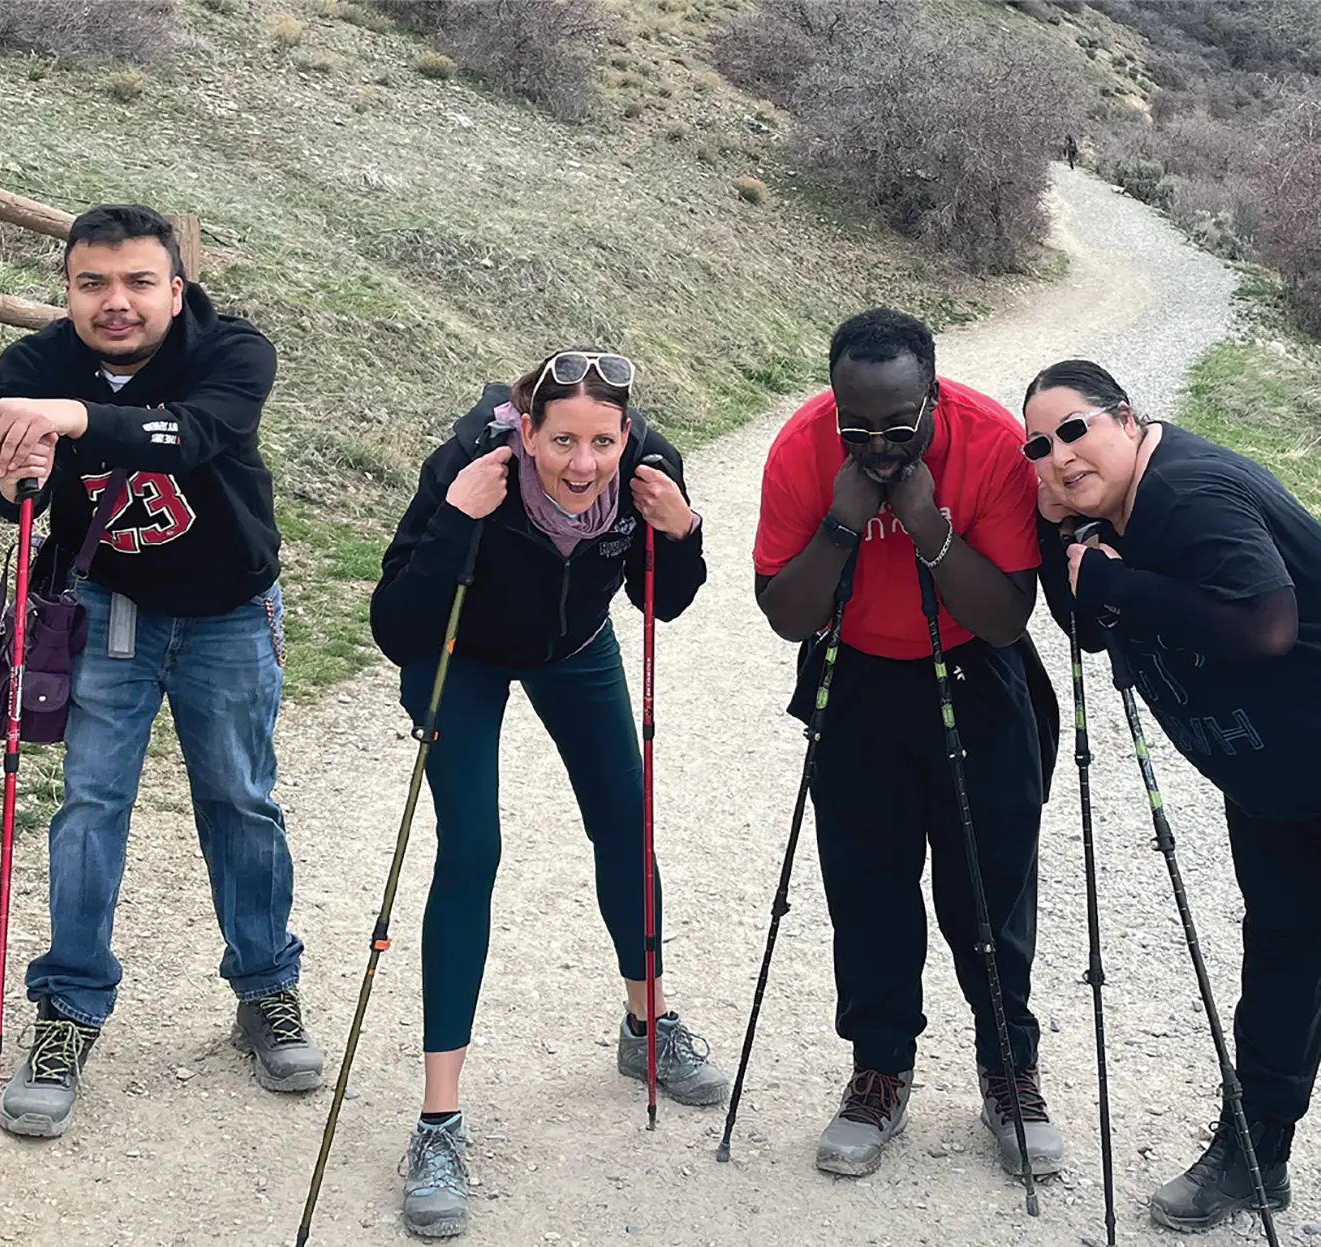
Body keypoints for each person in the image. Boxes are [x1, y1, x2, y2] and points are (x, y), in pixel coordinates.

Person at [0, 203, 321, 1140]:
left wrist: (72, 417)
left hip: (231, 612)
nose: (114, 302)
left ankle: (266, 990)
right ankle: (70, 1008)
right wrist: (15, 474)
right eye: (92, 283)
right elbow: (7, 484)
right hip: (105, 608)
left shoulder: (233, 349)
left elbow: (196, 435)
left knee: (241, 798)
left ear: (176, 285)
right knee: (90, 804)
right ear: (69, 290)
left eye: (136, 282)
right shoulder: (35, 366)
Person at [370, 348, 728, 1239]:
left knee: (624, 821)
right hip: (462, 652)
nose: (582, 464)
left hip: (572, 649)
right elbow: (395, 625)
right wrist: (457, 522)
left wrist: (679, 531)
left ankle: (646, 1022)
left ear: (624, 433)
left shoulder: (645, 467)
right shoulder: (468, 465)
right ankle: (438, 1120)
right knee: (472, 850)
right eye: (561, 439)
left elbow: (667, 602)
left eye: (600, 441)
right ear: (525, 430)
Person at [751, 308, 1065, 1182]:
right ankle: (879, 1068)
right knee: (867, 887)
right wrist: (842, 525)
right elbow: (784, 614)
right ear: (834, 398)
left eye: (900, 422)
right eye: (858, 423)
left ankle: (1010, 1070)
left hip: (975, 676)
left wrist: (928, 526)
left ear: (933, 390)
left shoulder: (994, 441)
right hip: (855, 681)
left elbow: (1005, 615)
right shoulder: (803, 447)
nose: (879, 442)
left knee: (988, 888)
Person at [1026, 358, 1319, 1233]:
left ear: (1125, 415)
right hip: (1276, 782)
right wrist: (1058, 535)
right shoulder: (1101, 519)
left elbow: (1266, 624)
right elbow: (1083, 625)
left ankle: (1253, 1149)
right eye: (1039, 445)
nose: (1059, 454)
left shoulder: (1185, 493)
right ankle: (1254, 1157)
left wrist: (1116, 580)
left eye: (1074, 428)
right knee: (1282, 962)